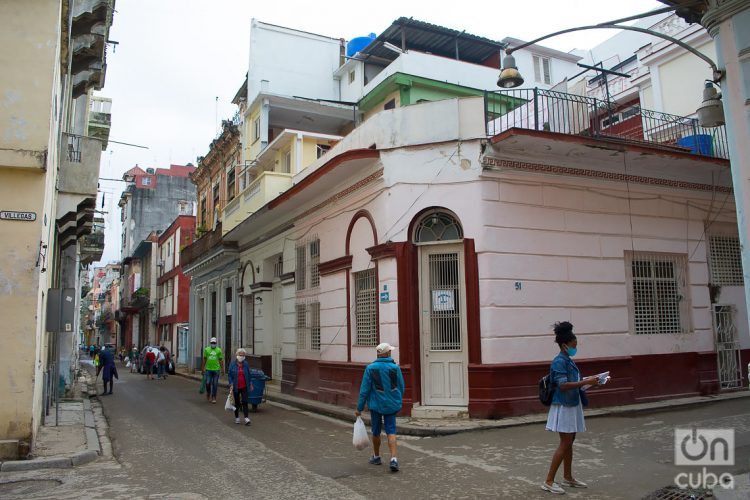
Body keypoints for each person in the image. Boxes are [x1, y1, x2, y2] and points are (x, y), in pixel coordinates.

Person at [542, 321, 602, 494]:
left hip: (572, 404)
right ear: (564, 345)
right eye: (573, 346)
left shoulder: (568, 360)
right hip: (564, 405)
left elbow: (577, 384)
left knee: (570, 442)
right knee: (565, 442)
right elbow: (563, 385)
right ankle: (548, 481)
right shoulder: (559, 362)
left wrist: (594, 381)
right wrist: (586, 381)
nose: (575, 349)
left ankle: (568, 477)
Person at [355, 342, 404, 473]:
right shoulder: (395, 367)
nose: (391, 353)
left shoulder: (370, 368)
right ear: (387, 353)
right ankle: (394, 459)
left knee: (376, 431)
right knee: (391, 430)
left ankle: (376, 456)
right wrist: (397, 400)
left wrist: (359, 408)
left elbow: (364, 390)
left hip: (376, 406)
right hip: (391, 405)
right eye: (390, 351)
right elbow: (401, 387)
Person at [227, 348, 252, 426]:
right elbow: (230, 375)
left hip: (244, 386)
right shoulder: (232, 364)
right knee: (237, 403)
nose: (241, 356)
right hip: (236, 386)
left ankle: (246, 418)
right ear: (237, 355)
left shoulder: (246, 364)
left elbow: (249, 374)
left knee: (245, 401)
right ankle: (237, 417)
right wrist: (231, 383)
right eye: (240, 355)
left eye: (243, 355)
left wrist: (250, 383)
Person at [201, 337, 224, 403]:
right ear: (210, 343)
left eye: (214, 343)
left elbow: (220, 360)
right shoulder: (207, 350)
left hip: (216, 370)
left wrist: (222, 369)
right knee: (208, 383)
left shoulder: (219, 350)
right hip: (208, 369)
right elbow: (204, 359)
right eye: (212, 343)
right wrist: (203, 368)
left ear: (216, 343)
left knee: (215, 384)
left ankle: (214, 397)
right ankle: (208, 393)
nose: (213, 344)